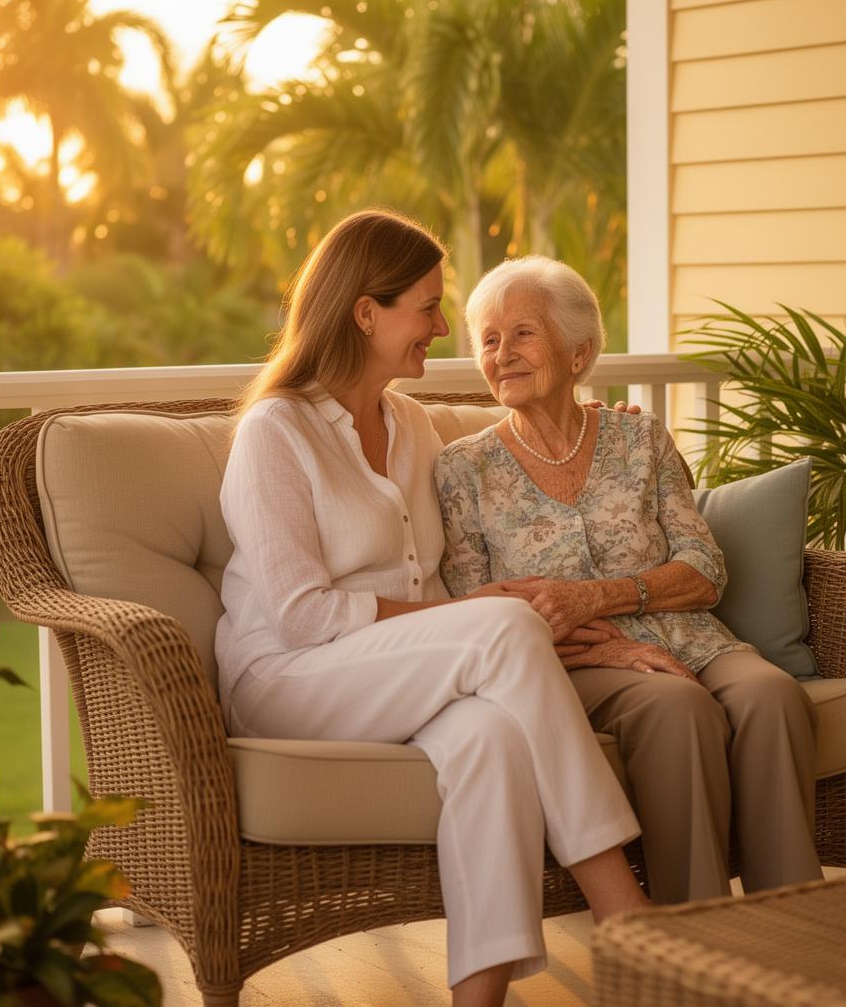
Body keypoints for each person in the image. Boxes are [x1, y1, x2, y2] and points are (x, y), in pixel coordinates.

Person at [214, 211, 648, 1007]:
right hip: (287, 679)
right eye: (427, 306)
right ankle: (623, 908)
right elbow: (302, 615)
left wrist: (600, 429)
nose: (444, 327)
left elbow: (452, 547)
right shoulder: (275, 432)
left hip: (395, 671)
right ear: (365, 312)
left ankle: (475, 1002)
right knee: (507, 624)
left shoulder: (411, 424)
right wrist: (479, 617)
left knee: (490, 740)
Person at [434, 255, 824, 903]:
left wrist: (602, 595)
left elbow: (705, 570)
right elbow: (471, 610)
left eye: (523, 333)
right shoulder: (463, 468)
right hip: (573, 663)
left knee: (774, 696)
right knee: (679, 709)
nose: (502, 353)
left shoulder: (640, 437)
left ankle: (792, 924)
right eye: (490, 339)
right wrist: (612, 644)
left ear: (578, 351)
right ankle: (690, 943)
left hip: (693, 635)